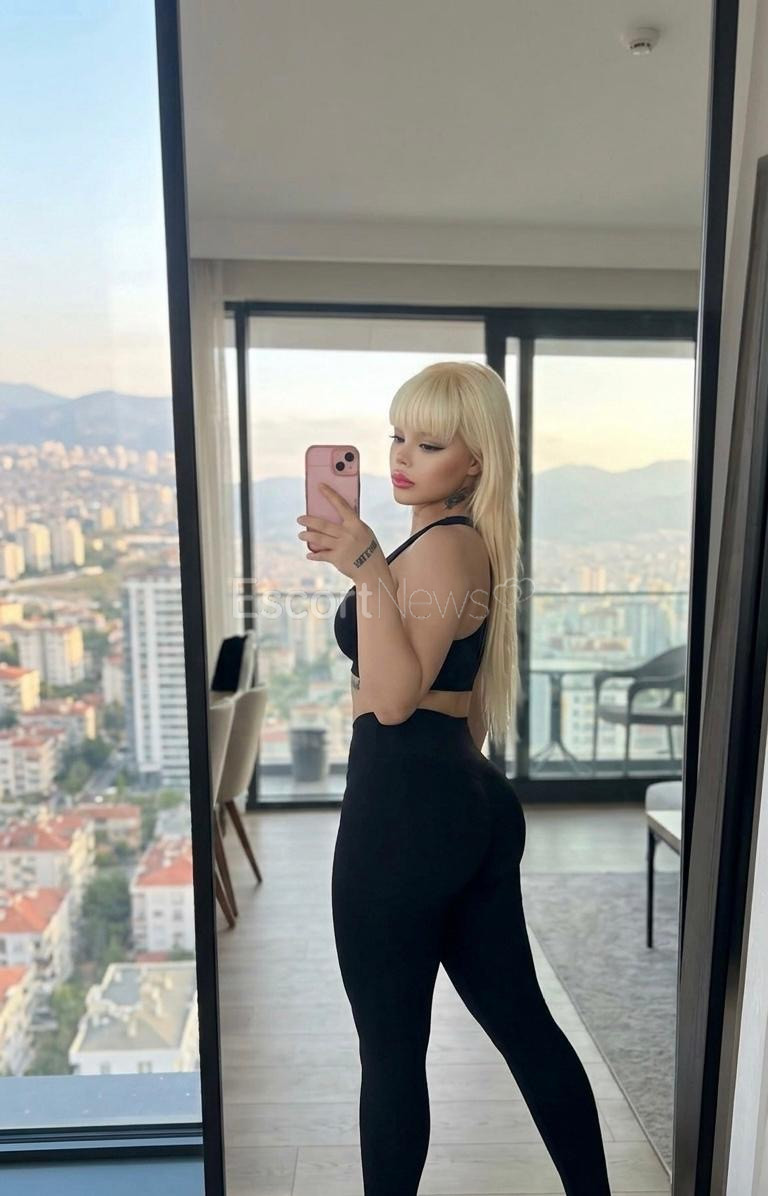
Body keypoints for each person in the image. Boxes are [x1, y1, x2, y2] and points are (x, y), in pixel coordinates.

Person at [296, 361, 611, 1196]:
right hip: (459, 801)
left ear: (475, 462)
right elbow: (462, 712)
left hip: (403, 814)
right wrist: (373, 569)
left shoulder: (438, 548)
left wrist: (367, 568)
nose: (401, 457)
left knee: (392, 1054)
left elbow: (393, 702)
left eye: (429, 445)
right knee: (527, 1032)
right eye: (398, 436)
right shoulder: (457, 544)